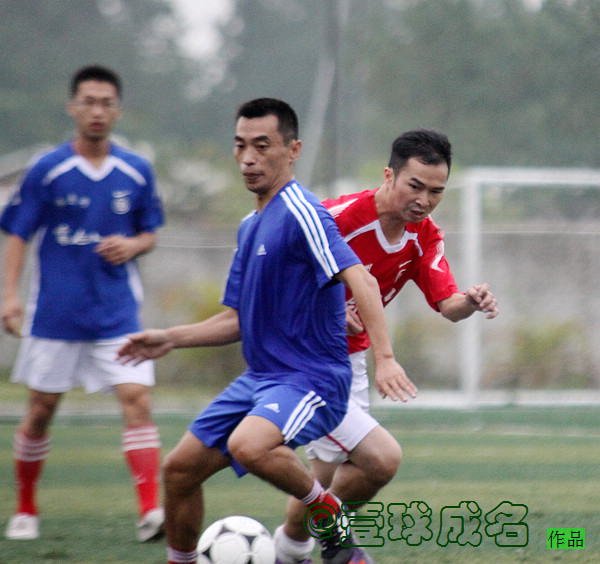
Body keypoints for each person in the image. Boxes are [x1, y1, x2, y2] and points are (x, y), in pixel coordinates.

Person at [117, 98, 417, 564]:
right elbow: (238, 319)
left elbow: (361, 279)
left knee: (248, 445)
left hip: (313, 378)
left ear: (293, 150)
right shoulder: (250, 225)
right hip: (262, 379)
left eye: (262, 146)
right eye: (241, 146)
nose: (249, 158)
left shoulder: (302, 211)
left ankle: (330, 522)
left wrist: (387, 358)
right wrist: (170, 337)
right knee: (179, 471)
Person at [274, 129, 499, 564]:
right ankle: (329, 542)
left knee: (327, 474)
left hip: (349, 361)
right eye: (415, 186)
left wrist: (471, 302)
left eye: (436, 191)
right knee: (378, 460)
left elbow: (448, 305)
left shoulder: (425, 236)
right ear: (388, 176)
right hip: (302, 356)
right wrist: (325, 310)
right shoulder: (336, 217)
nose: (424, 200)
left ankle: (289, 548)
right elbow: (275, 273)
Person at [1, 65, 165, 542]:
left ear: (118, 110)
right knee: (40, 411)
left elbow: (150, 233)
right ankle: (26, 508)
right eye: (88, 102)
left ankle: (150, 512)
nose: (97, 111)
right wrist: (9, 296)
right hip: (56, 314)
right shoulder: (47, 169)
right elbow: (18, 234)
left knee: (137, 400)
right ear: (73, 107)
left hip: (116, 312)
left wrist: (133, 245)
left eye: (106, 103)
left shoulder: (136, 170)